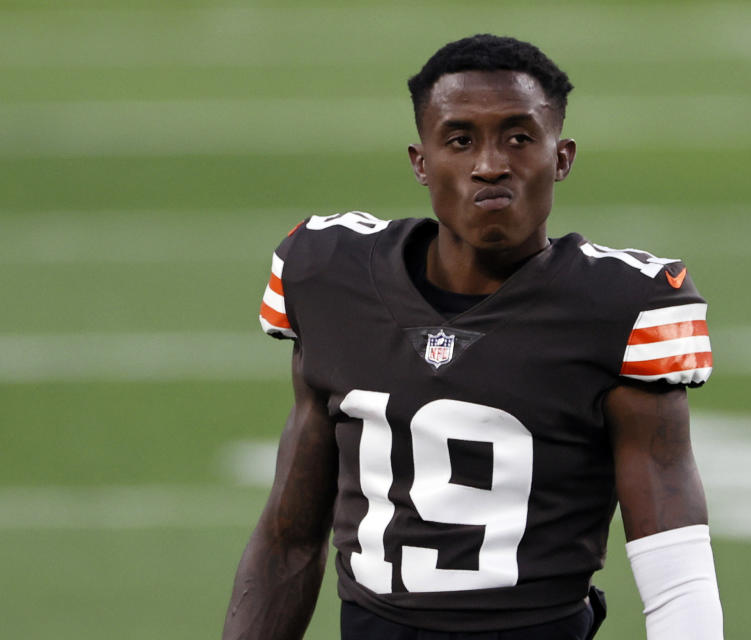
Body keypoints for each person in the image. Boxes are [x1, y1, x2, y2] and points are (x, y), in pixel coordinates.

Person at [223, 34, 723, 640]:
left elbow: (676, 567)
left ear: (561, 157)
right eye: (461, 140)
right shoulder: (331, 279)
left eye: (518, 137)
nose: (490, 163)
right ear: (421, 161)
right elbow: (290, 538)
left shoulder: (621, 307)